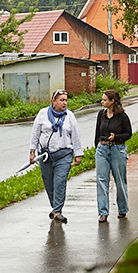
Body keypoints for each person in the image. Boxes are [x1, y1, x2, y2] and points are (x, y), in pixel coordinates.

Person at [30, 89, 83, 223]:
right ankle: (55, 208)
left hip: (64, 154)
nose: (64, 103)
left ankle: (58, 211)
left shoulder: (69, 116)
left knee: (60, 182)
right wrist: (32, 152)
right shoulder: (42, 114)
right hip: (45, 155)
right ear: (53, 101)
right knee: (49, 183)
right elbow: (35, 134)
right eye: (61, 100)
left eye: (66, 100)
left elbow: (75, 136)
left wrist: (78, 154)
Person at [94, 89, 132, 222]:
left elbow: (128, 134)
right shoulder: (101, 114)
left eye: (104, 100)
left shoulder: (122, 116)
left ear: (112, 101)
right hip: (102, 149)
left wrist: (116, 137)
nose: (102, 102)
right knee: (101, 180)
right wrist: (97, 148)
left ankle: (122, 209)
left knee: (120, 180)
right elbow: (97, 133)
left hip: (117, 149)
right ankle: (103, 212)